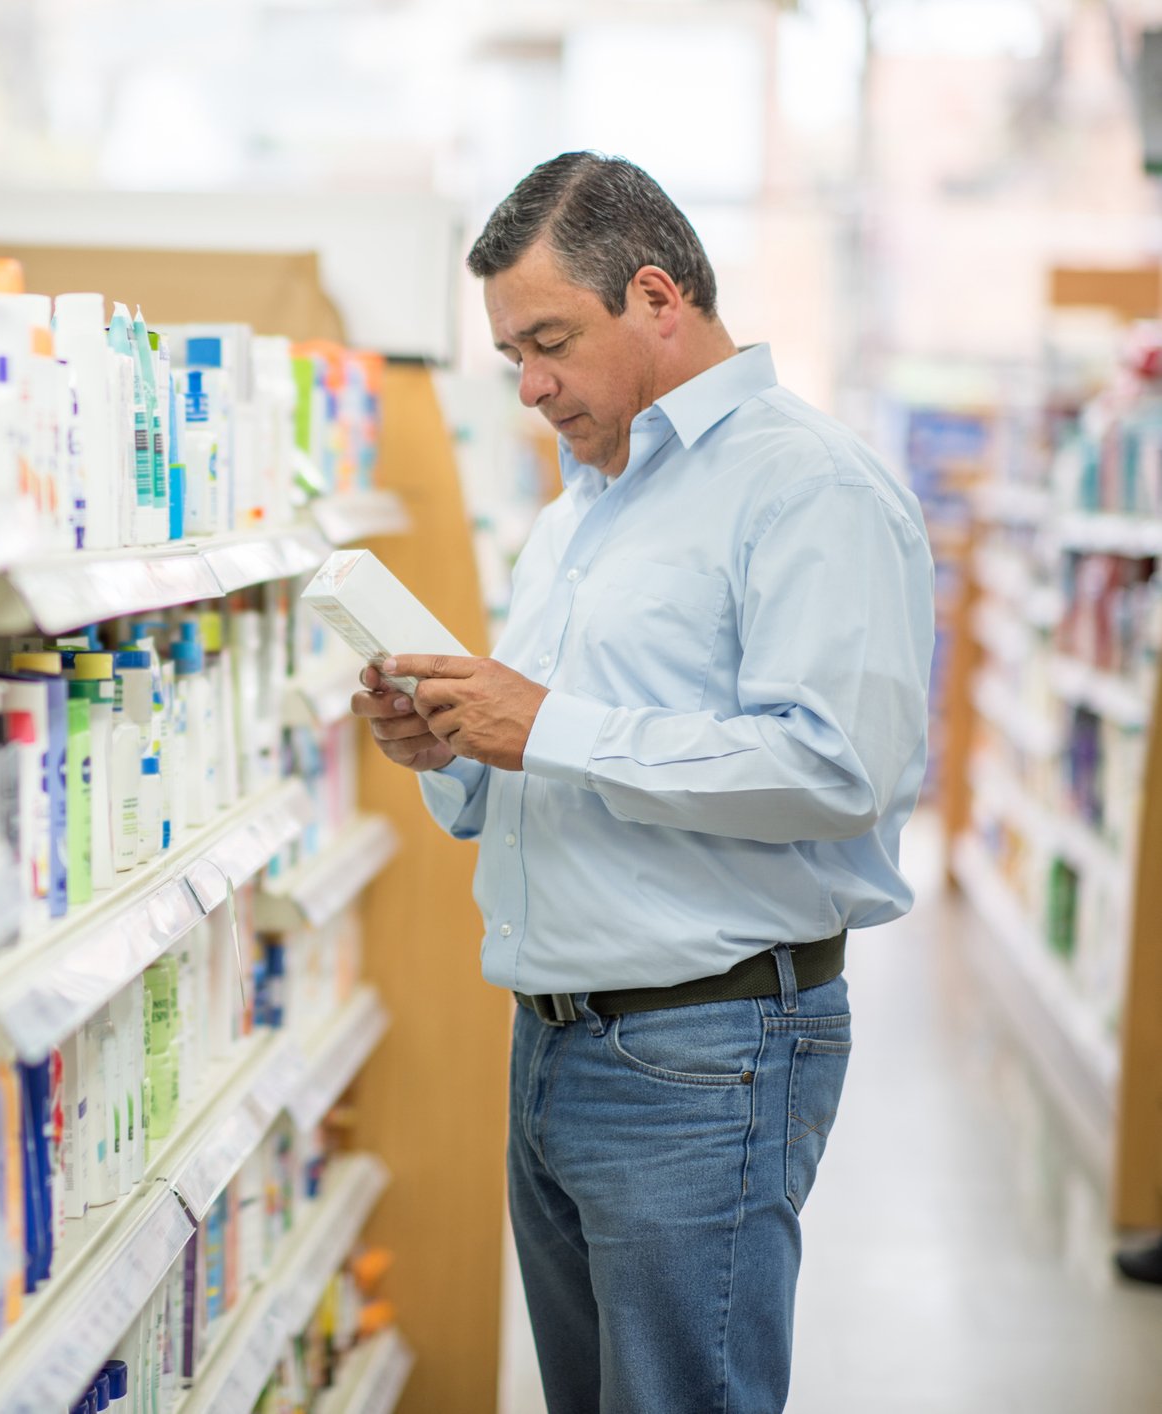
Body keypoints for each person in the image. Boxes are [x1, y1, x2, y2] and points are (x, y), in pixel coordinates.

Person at [353, 152, 934, 1414]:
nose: (529, 386)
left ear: (658, 297)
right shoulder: (584, 511)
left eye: (548, 341)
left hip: (703, 1051)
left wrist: (549, 726)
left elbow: (838, 768)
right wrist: (449, 750)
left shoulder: (805, 489)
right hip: (555, 1043)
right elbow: (544, 756)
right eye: (511, 353)